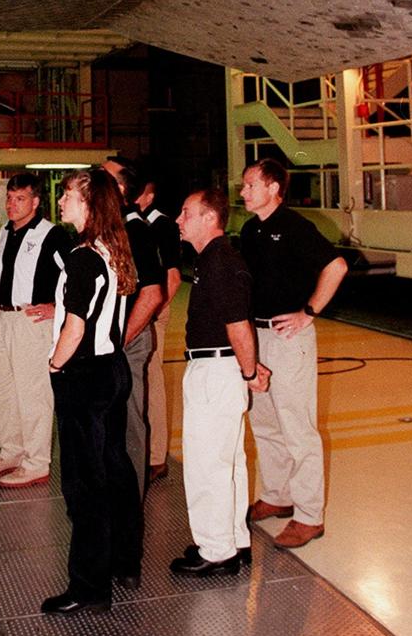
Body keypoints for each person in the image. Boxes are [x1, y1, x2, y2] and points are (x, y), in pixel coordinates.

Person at [42, 168, 143, 616]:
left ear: (87, 203)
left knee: (85, 484)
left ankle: (89, 585)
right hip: (113, 369)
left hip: (85, 376)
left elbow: (76, 325)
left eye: (66, 196)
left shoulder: (83, 256)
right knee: (115, 468)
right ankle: (124, 560)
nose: (61, 203)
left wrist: (55, 363)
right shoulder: (113, 249)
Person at [239, 158, 348, 549]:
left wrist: (309, 313)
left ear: (273, 189)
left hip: (288, 339)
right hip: (258, 335)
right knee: (264, 420)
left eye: (250, 185)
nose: (243, 191)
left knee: (297, 426)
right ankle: (277, 495)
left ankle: (308, 516)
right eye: (244, 185)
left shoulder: (296, 227)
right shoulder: (250, 231)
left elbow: (336, 266)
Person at [169, 189, 270, 577]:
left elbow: (237, 324)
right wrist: (247, 370)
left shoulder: (219, 261)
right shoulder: (216, 259)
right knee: (228, 462)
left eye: (186, 212)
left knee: (207, 464)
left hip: (216, 372)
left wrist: (249, 372)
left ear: (210, 218)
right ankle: (233, 540)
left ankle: (216, 551)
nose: (179, 220)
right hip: (222, 370)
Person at [0, 172, 72, 488]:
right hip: (3, 319)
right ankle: (11, 453)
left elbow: (76, 276)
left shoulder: (53, 235)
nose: (11, 204)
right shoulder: (5, 231)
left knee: (33, 394)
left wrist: (56, 308)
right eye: (9, 197)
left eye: (19, 199)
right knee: (2, 392)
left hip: (31, 324)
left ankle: (36, 463)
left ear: (35, 202)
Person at [102, 158, 164, 496]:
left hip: (125, 342)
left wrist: (121, 339)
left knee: (129, 422)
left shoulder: (135, 230)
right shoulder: (107, 228)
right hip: (107, 343)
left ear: (121, 190)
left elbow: (153, 293)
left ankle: (131, 495)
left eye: (104, 175)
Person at [135, 166, 182, 482]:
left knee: (151, 384)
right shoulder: (131, 224)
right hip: (136, 310)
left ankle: (155, 457)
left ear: (148, 196)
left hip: (152, 313)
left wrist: (154, 314)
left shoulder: (161, 226)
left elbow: (173, 277)